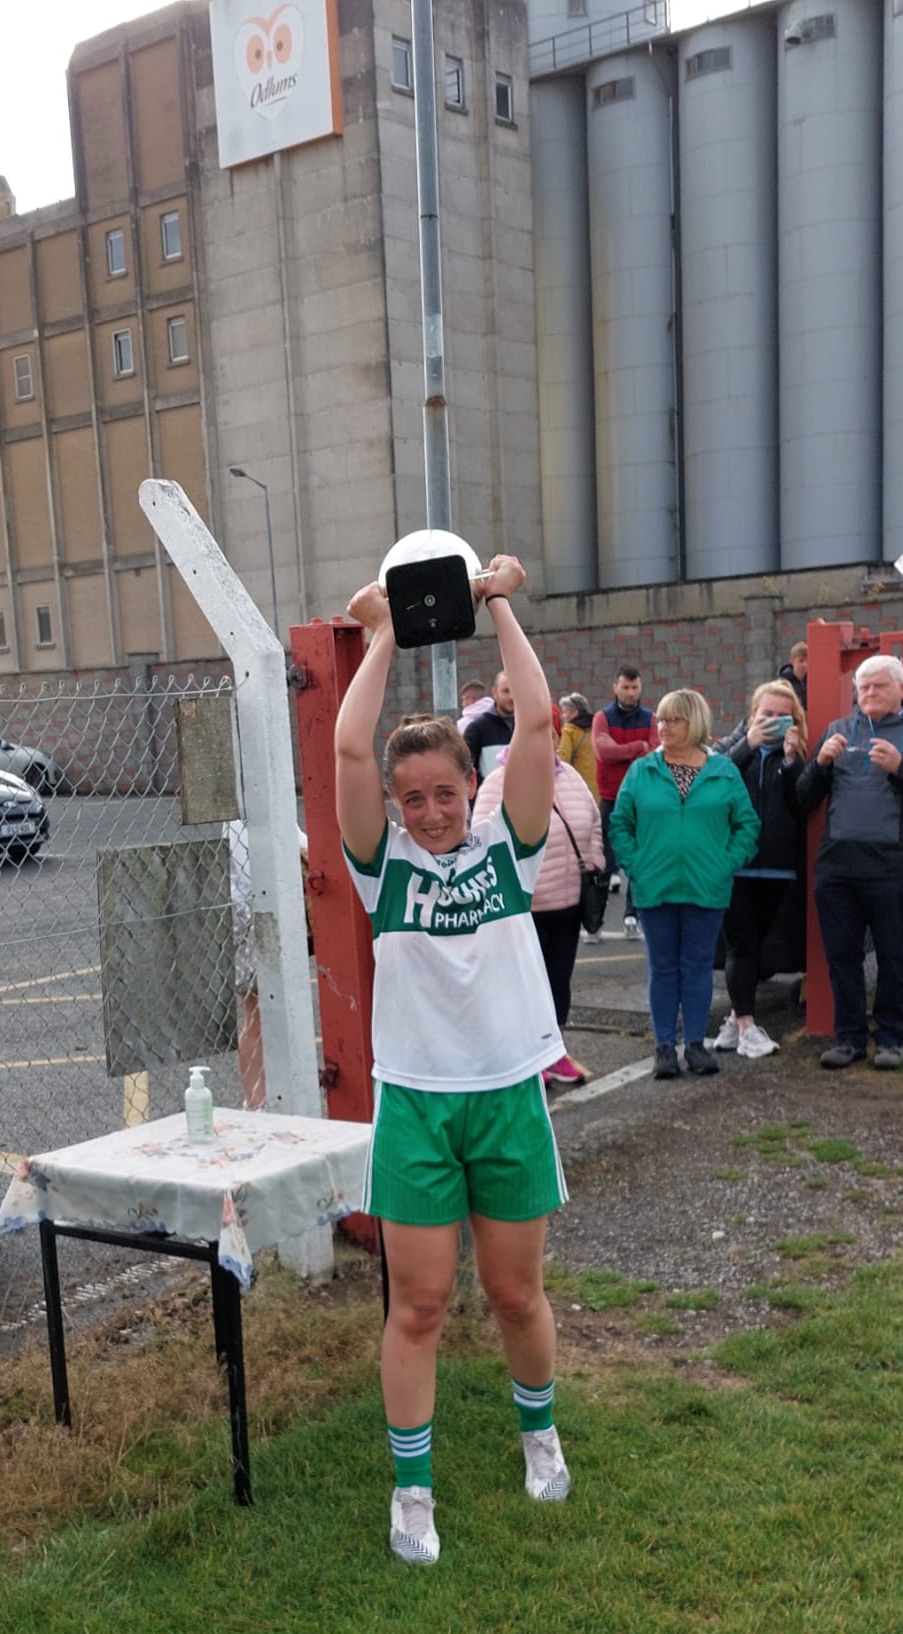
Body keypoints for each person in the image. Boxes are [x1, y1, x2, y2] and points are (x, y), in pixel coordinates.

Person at [336, 553, 571, 1568]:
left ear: (472, 788)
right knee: (419, 1302)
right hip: (419, 1109)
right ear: (395, 802)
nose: (431, 811)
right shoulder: (378, 864)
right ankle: (413, 1490)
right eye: (413, 796)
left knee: (516, 1294)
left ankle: (539, 1431)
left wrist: (499, 601)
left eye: (446, 792)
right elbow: (349, 744)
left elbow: (541, 719)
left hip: (508, 1095)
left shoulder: (505, 847)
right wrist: (386, 628)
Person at [797, 653, 903, 1070]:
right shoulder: (837, 731)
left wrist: (901, 768)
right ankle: (849, 1038)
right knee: (842, 957)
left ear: (902, 690)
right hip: (837, 868)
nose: (869, 693)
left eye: (879, 686)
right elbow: (803, 797)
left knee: (891, 956)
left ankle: (890, 1039)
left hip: (893, 868)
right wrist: (819, 764)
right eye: (863, 686)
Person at [608, 689, 760, 1079]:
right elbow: (620, 824)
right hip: (654, 887)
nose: (663, 726)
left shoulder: (724, 771)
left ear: (694, 723)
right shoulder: (642, 770)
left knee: (696, 967)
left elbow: (747, 826)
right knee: (662, 968)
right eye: (660, 719)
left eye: (673, 719)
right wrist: (637, 866)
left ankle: (695, 1045)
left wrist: (724, 864)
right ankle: (663, 1046)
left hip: (706, 888)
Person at [474, 729, 603, 1087]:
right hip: (525, 908)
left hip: (568, 902)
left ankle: (556, 1052)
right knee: (525, 985)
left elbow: (593, 821)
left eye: (548, 735)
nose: (540, 743)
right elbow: (482, 837)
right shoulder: (499, 783)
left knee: (558, 981)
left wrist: (594, 860)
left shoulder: (571, 778)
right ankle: (528, 1059)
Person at [709, 680, 809, 1059]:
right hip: (735, 867)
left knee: (756, 948)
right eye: (767, 714)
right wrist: (748, 745)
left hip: (778, 870)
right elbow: (712, 781)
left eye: (783, 716)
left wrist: (791, 762)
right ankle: (748, 1026)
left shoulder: (797, 755)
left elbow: (802, 805)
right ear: (752, 716)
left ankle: (736, 1021)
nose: (774, 721)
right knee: (740, 945)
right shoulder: (730, 751)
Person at [591, 665, 657, 938]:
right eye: (625, 687)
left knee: (640, 861)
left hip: (642, 799)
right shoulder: (602, 718)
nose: (630, 692)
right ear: (615, 687)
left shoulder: (651, 718)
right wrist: (636, 748)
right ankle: (594, 921)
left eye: (635, 687)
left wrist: (631, 750)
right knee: (604, 861)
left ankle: (632, 915)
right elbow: (603, 753)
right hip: (610, 798)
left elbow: (654, 753)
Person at [460, 672, 515, 781]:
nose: (511, 697)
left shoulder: (528, 727)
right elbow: (466, 770)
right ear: (495, 692)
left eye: (515, 690)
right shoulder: (476, 729)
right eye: (506, 691)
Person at [557, 693, 599, 801]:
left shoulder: (569, 730)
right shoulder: (597, 727)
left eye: (565, 712)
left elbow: (563, 758)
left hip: (578, 785)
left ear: (575, 713)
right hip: (598, 786)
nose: (562, 716)